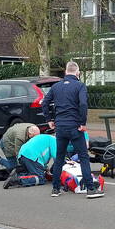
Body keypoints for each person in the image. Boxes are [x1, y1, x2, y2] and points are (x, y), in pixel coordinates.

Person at [43, 61, 103, 199]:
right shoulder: (80, 86)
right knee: (83, 157)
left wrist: (49, 120)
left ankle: (55, 189)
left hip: (60, 127)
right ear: (78, 73)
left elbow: (45, 102)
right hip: (75, 126)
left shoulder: (56, 86)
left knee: (59, 157)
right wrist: (82, 122)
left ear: (65, 72)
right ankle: (90, 189)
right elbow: (83, 104)